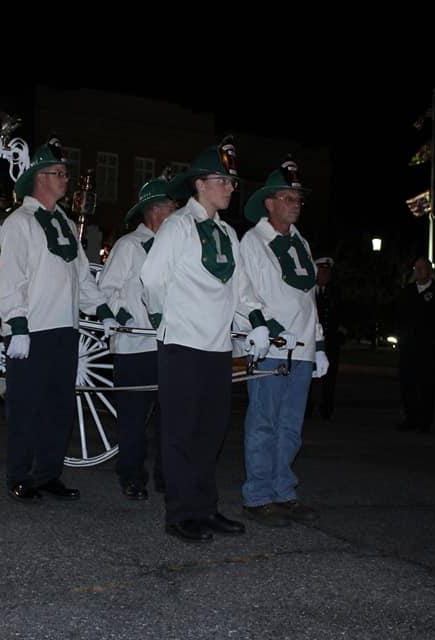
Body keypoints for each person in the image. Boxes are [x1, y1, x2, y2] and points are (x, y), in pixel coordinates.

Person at [141, 140, 256, 542]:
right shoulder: (178, 227)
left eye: (231, 181)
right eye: (223, 180)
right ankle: (181, 514)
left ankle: (205, 508)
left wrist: (253, 322)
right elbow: (152, 279)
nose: (230, 187)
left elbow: (240, 289)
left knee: (211, 432)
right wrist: (162, 319)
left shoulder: (227, 233)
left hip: (217, 348)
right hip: (183, 345)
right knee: (180, 433)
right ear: (200, 185)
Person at [0, 138, 117, 504]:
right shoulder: (20, 222)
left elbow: (81, 274)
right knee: (26, 408)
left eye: (66, 173)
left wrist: (103, 310)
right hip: (32, 332)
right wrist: (16, 325)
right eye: (59, 173)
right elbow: (11, 278)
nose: (66, 179)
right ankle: (20, 476)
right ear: (39, 178)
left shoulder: (63, 221)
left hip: (66, 330)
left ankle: (48, 475)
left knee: (58, 409)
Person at [238, 158, 328, 527]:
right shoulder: (253, 241)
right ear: (268, 203)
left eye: (298, 198)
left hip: (302, 348)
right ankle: (257, 496)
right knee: (264, 422)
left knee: (290, 426)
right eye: (287, 197)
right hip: (272, 347)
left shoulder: (301, 241)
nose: (295, 203)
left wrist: (319, 344)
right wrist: (266, 327)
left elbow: (308, 298)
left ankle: (282, 491)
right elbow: (244, 293)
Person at [98, 175, 177, 500]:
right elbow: (106, 288)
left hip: (171, 344)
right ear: (155, 211)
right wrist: (123, 317)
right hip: (136, 346)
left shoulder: (176, 249)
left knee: (171, 418)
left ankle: (167, 476)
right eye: (173, 207)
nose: (178, 212)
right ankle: (131, 475)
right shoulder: (129, 246)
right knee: (133, 419)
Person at [395, 257, 435, 432]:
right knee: (407, 383)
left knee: (426, 385)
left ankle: (425, 422)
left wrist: (434, 338)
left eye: (422, 268)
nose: (418, 271)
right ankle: (411, 418)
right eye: (416, 268)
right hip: (408, 346)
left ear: (430, 270)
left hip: (427, 347)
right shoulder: (408, 291)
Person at [311, 256, 342, 420]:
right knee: (308, 376)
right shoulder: (307, 290)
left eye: (327, 272)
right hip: (311, 341)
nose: (325, 275)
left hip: (330, 341)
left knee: (329, 379)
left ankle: (326, 409)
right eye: (322, 271)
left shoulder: (334, 292)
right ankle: (307, 408)